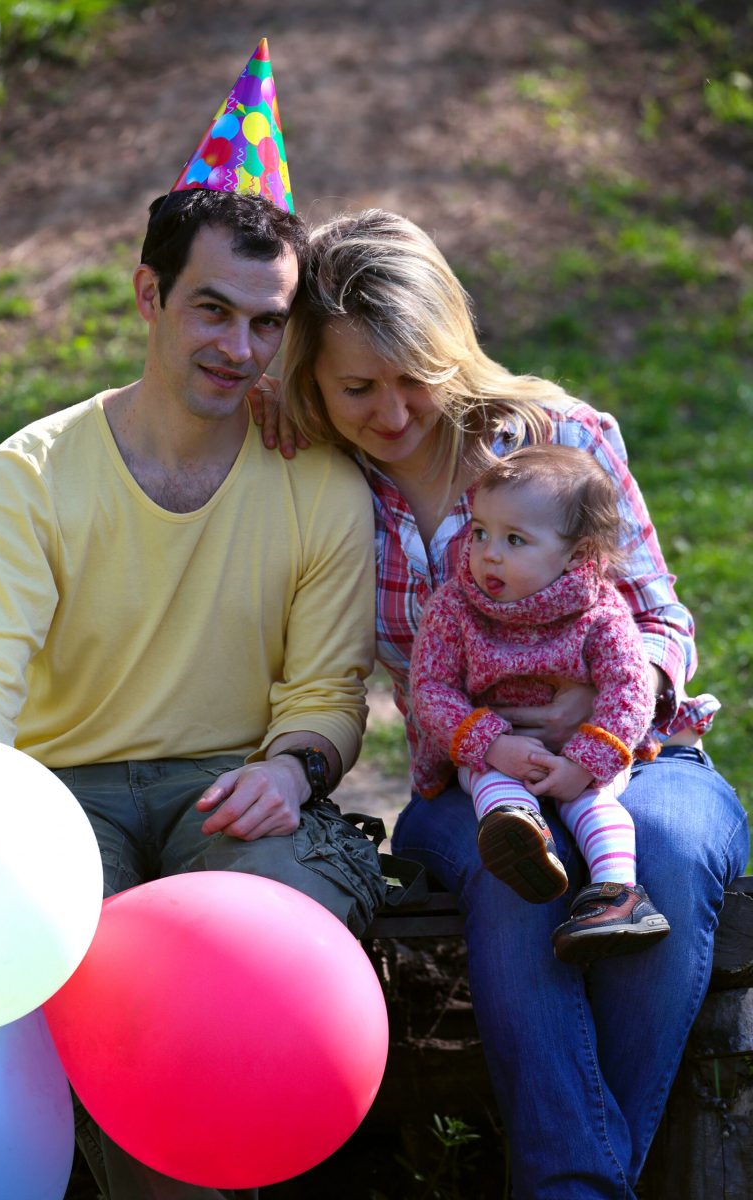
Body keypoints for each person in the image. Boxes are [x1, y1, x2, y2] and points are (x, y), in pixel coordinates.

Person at [254, 207, 749, 1198]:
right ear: (312, 374)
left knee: (666, 852)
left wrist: (603, 713)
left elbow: (662, 618)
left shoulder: (562, 440)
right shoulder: (314, 485)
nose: (391, 411)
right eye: (357, 386)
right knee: (518, 874)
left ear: (452, 349)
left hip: (632, 754)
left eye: (414, 378)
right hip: (469, 778)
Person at [0, 189, 386, 1200]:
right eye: (212, 309)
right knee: (89, 978)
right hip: (60, 796)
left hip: (231, 787)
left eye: (267, 322)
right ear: (148, 294)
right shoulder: (35, 472)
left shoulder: (317, 484)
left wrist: (293, 765)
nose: (240, 347)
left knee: (257, 952)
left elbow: (328, 693)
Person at [409, 442, 670, 963]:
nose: (489, 553)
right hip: (495, 751)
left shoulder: (600, 611)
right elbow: (431, 689)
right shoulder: (454, 608)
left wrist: (583, 763)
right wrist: (492, 743)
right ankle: (520, 838)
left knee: (594, 802)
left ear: (576, 554)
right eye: (480, 531)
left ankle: (620, 895)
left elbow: (629, 690)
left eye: (515, 539)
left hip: (583, 750)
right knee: (488, 782)